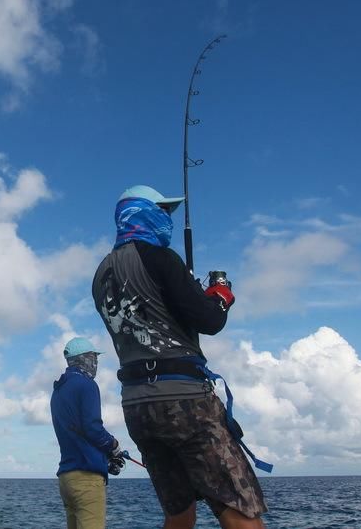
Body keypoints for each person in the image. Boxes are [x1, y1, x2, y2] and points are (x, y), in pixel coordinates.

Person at [92, 185, 268, 529]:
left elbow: (149, 314)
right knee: (240, 509)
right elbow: (209, 321)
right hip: (185, 403)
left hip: (138, 408)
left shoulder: (101, 275)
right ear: (144, 212)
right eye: (163, 212)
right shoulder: (161, 259)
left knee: (178, 511)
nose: (166, 220)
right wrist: (220, 296)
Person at [50, 336, 127, 529]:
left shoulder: (58, 389)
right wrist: (114, 446)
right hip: (86, 479)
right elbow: (92, 429)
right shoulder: (87, 384)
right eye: (94, 358)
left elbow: (78, 431)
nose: (96, 363)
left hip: (67, 479)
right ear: (84, 359)